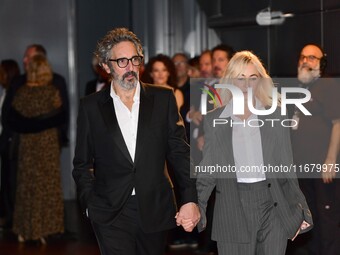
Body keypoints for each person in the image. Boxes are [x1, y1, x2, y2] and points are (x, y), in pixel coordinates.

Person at [72, 27, 200, 255]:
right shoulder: (91, 107)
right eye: (121, 61)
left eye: (135, 59)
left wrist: (190, 199)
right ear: (106, 66)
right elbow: (82, 163)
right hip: (110, 210)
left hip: (155, 207)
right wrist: (90, 204)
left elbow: (180, 153)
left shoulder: (163, 99)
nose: (130, 67)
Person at [196, 51, 313, 255]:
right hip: (233, 207)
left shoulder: (275, 114)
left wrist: (301, 209)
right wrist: (197, 207)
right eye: (240, 79)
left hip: (273, 204)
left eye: (253, 78)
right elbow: (208, 171)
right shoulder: (215, 120)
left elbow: (287, 165)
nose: (247, 85)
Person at [290, 44, 340, 255]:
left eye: (312, 58)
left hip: (322, 168)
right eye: (303, 57)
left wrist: (330, 160)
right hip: (301, 169)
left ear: (322, 64)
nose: (305, 61)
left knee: (326, 220)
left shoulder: (327, 85)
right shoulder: (299, 89)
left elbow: (338, 123)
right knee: (309, 220)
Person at [10, 55, 65, 243]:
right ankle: (45, 230)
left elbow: (14, 116)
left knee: (26, 186)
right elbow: (59, 114)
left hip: (27, 143)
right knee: (47, 186)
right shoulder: (51, 92)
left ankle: (23, 230)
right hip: (46, 144)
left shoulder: (22, 92)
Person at [0, 59, 20, 229]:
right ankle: (8, 216)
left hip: (10, 143)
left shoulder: (14, 92)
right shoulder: (5, 91)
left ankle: (12, 219)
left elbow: (10, 120)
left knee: (11, 182)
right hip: (4, 142)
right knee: (6, 181)